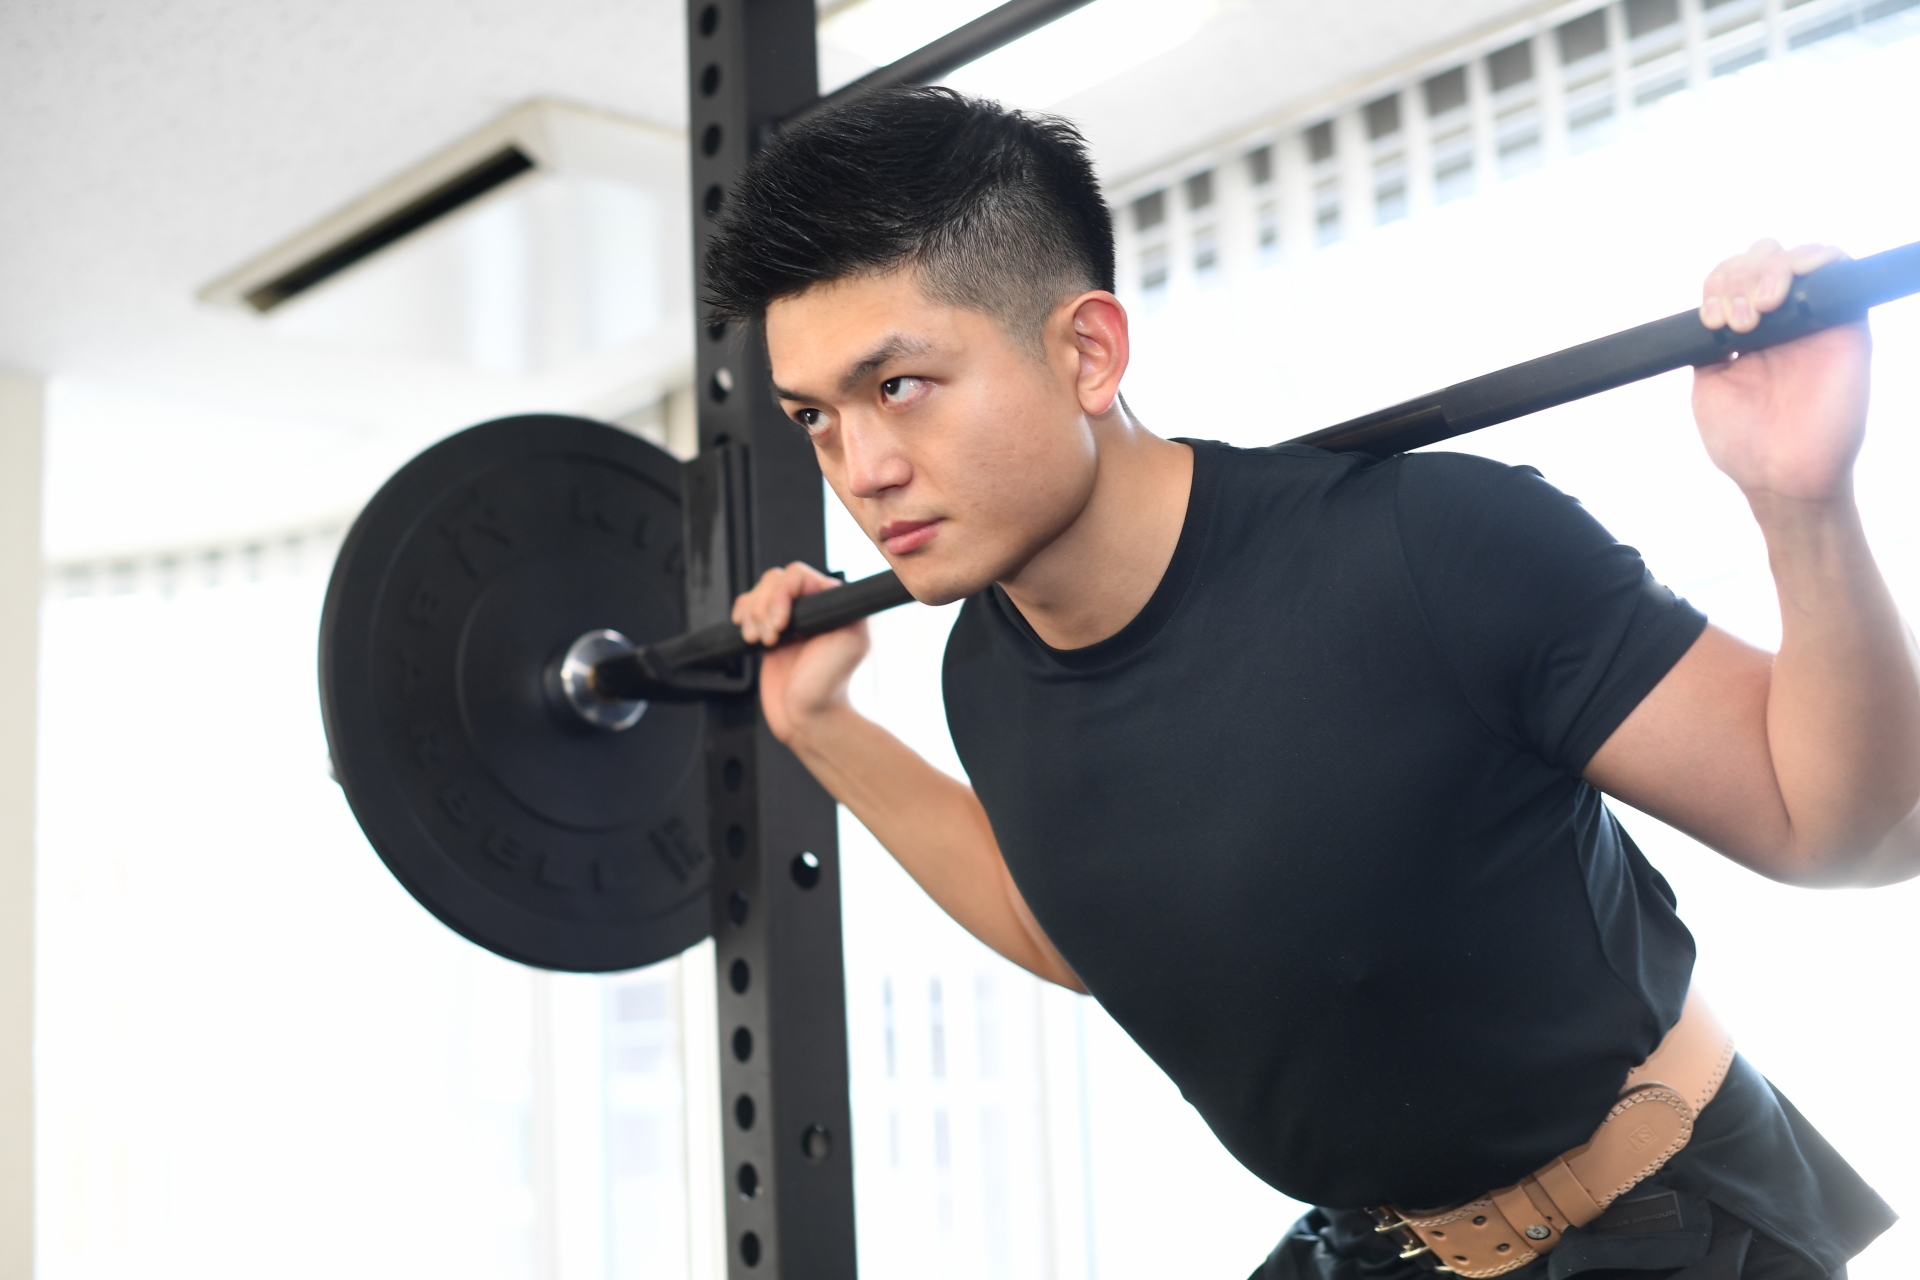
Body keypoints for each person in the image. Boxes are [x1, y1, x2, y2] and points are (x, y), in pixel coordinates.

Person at [704, 85, 1913, 1278]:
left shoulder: (1431, 547)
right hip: (1371, 1247)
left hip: (1654, 1228)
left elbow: (1841, 831)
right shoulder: (985, 666)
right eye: (815, 416)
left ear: (1087, 351)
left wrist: (1800, 501)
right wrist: (822, 726)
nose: (861, 468)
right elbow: (1086, 930)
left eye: (898, 387)